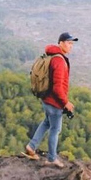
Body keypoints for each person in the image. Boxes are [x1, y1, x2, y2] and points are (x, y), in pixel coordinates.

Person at [24, 32, 78, 168]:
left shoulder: (51, 55)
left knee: (46, 122)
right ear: (61, 43)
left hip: (46, 99)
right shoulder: (59, 61)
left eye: (72, 43)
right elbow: (57, 88)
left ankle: (31, 146)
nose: (71, 46)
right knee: (55, 129)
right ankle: (52, 158)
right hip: (54, 102)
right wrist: (66, 103)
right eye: (69, 43)